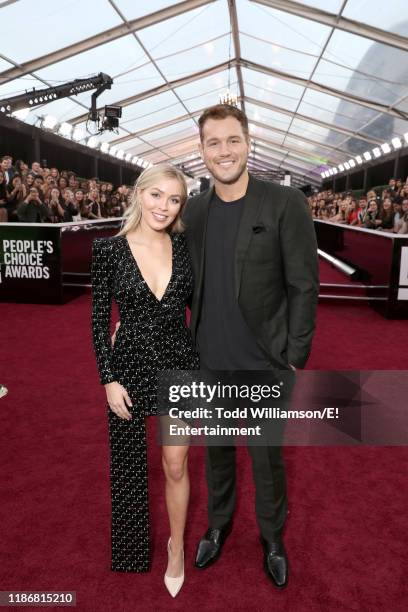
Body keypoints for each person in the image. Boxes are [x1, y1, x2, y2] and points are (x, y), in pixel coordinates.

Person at [182, 104, 319, 589]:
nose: (224, 151)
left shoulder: (284, 203)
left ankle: (272, 539)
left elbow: (304, 284)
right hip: (209, 361)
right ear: (201, 150)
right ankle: (217, 527)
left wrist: (295, 356)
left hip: (265, 363)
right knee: (216, 453)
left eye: (232, 140)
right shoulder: (194, 209)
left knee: (267, 459)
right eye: (213, 142)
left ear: (248, 142)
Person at [91, 164, 199, 597]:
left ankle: (175, 549)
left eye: (174, 200)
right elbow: (99, 322)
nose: (164, 207)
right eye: (157, 195)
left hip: (179, 365)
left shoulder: (186, 247)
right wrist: (108, 379)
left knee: (176, 464)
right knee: (129, 467)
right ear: (139, 194)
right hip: (128, 365)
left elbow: (204, 306)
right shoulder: (108, 251)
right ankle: (133, 550)